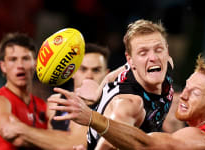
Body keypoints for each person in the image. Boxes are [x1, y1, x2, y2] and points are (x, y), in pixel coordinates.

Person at [49, 55, 205, 150]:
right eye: (186, 86)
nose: (183, 96)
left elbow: (143, 144)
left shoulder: (200, 139)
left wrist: (92, 118)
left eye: (194, 93)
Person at [69, 19, 175, 150]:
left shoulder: (167, 64)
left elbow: (113, 74)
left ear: (167, 51)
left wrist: (97, 94)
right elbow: (107, 145)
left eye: (158, 49)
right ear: (131, 60)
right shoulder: (129, 104)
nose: (153, 57)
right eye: (143, 53)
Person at [0, 32, 48, 149]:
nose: (20, 65)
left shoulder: (43, 107)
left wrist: (21, 128)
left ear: (35, 64)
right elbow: (18, 138)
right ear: (3, 66)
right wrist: (56, 140)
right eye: (13, 59)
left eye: (26, 58)